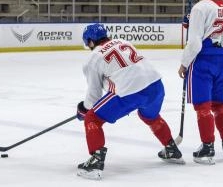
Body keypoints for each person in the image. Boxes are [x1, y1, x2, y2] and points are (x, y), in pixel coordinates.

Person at [76, 23, 185, 180]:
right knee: (150, 116)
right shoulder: (123, 41)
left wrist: (83, 111)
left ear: (90, 41)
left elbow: (93, 97)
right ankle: (171, 149)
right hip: (155, 85)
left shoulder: (92, 59)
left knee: (93, 118)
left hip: (129, 91)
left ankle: (95, 163)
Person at [178, 0, 223, 165]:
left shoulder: (200, 7)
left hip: (203, 61)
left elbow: (195, 42)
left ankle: (207, 148)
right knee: (220, 104)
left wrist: (185, 63)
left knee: (203, 106)